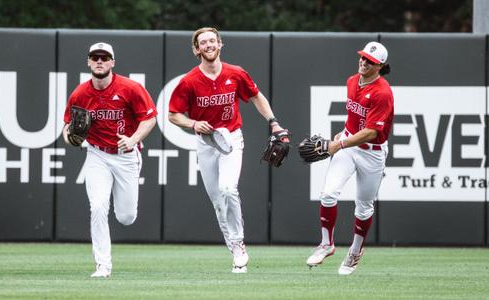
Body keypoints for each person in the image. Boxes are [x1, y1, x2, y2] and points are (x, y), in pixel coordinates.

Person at [168, 27, 289, 274]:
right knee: (217, 201)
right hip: (206, 142)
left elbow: (257, 97)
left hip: (231, 138)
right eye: (203, 42)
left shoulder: (236, 73)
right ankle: (234, 246)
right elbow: (173, 115)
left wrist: (273, 122)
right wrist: (192, 123)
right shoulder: (189, 81)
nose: (209, 45)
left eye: (213, 40)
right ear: (196, 49)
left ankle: (238, 244)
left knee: (227, 188)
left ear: (220, 44)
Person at [62, 42, 157, 278]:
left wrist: (134, 139)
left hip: (126, 156)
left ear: (113, 62)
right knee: (98, 207)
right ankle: (103, 265)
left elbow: (150, 119)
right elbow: (66, 128)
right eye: (95, 57)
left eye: (105, 57)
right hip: (97, 154)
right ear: (89, 62)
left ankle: (122, 222)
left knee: (126, 217)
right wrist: (70, 137)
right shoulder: (80, 93)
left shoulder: (130, 88)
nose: (100, 61)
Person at [306, 41, 394, 275]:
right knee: (328, 194)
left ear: (380, 66)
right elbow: (355, 118)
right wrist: (343, 133)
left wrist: (339, 143)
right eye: (363, 57)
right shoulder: (352, 81)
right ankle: (327, 243)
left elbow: (372, 132)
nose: (363, 62)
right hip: (348, 145)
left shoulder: (382, 93)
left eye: (370, 61)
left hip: (372, 153)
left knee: (363, 208)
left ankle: (355, 252)